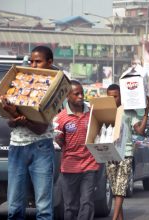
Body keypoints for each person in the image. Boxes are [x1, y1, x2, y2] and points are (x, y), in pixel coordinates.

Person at [1, 46, 55, 219]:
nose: (33, 64)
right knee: (15, 207)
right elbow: (10, 123)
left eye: (38, 61)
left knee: (43, 208)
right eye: (31, 61)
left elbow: (41, 128)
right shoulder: (19, 83)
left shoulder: (54, 88)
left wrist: (17, 114)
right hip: (16, 147)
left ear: (49, 62)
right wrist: (13, 117)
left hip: (41, 148)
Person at [53, 80, 99, 220]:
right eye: (76, 94)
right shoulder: (61, 118)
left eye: (82, 93)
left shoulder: (92, 113)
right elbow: (58, 142)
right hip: (69, 167)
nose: (80, 96)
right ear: (67, 96)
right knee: (70, 206)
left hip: (90, 164)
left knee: (87, 202)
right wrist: (57, 140)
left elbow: (101, 132)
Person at [106, 84, 149, 220]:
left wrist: (146, 112)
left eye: (116, 96)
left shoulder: (129, 111)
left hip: (126, 153)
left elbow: (140, 131)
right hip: (110, 153)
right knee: (115, 189)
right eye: (110, 96)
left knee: (121, 187)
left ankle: (114, 218)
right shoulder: (104, 110)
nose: (113, 99)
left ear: (121, 96)